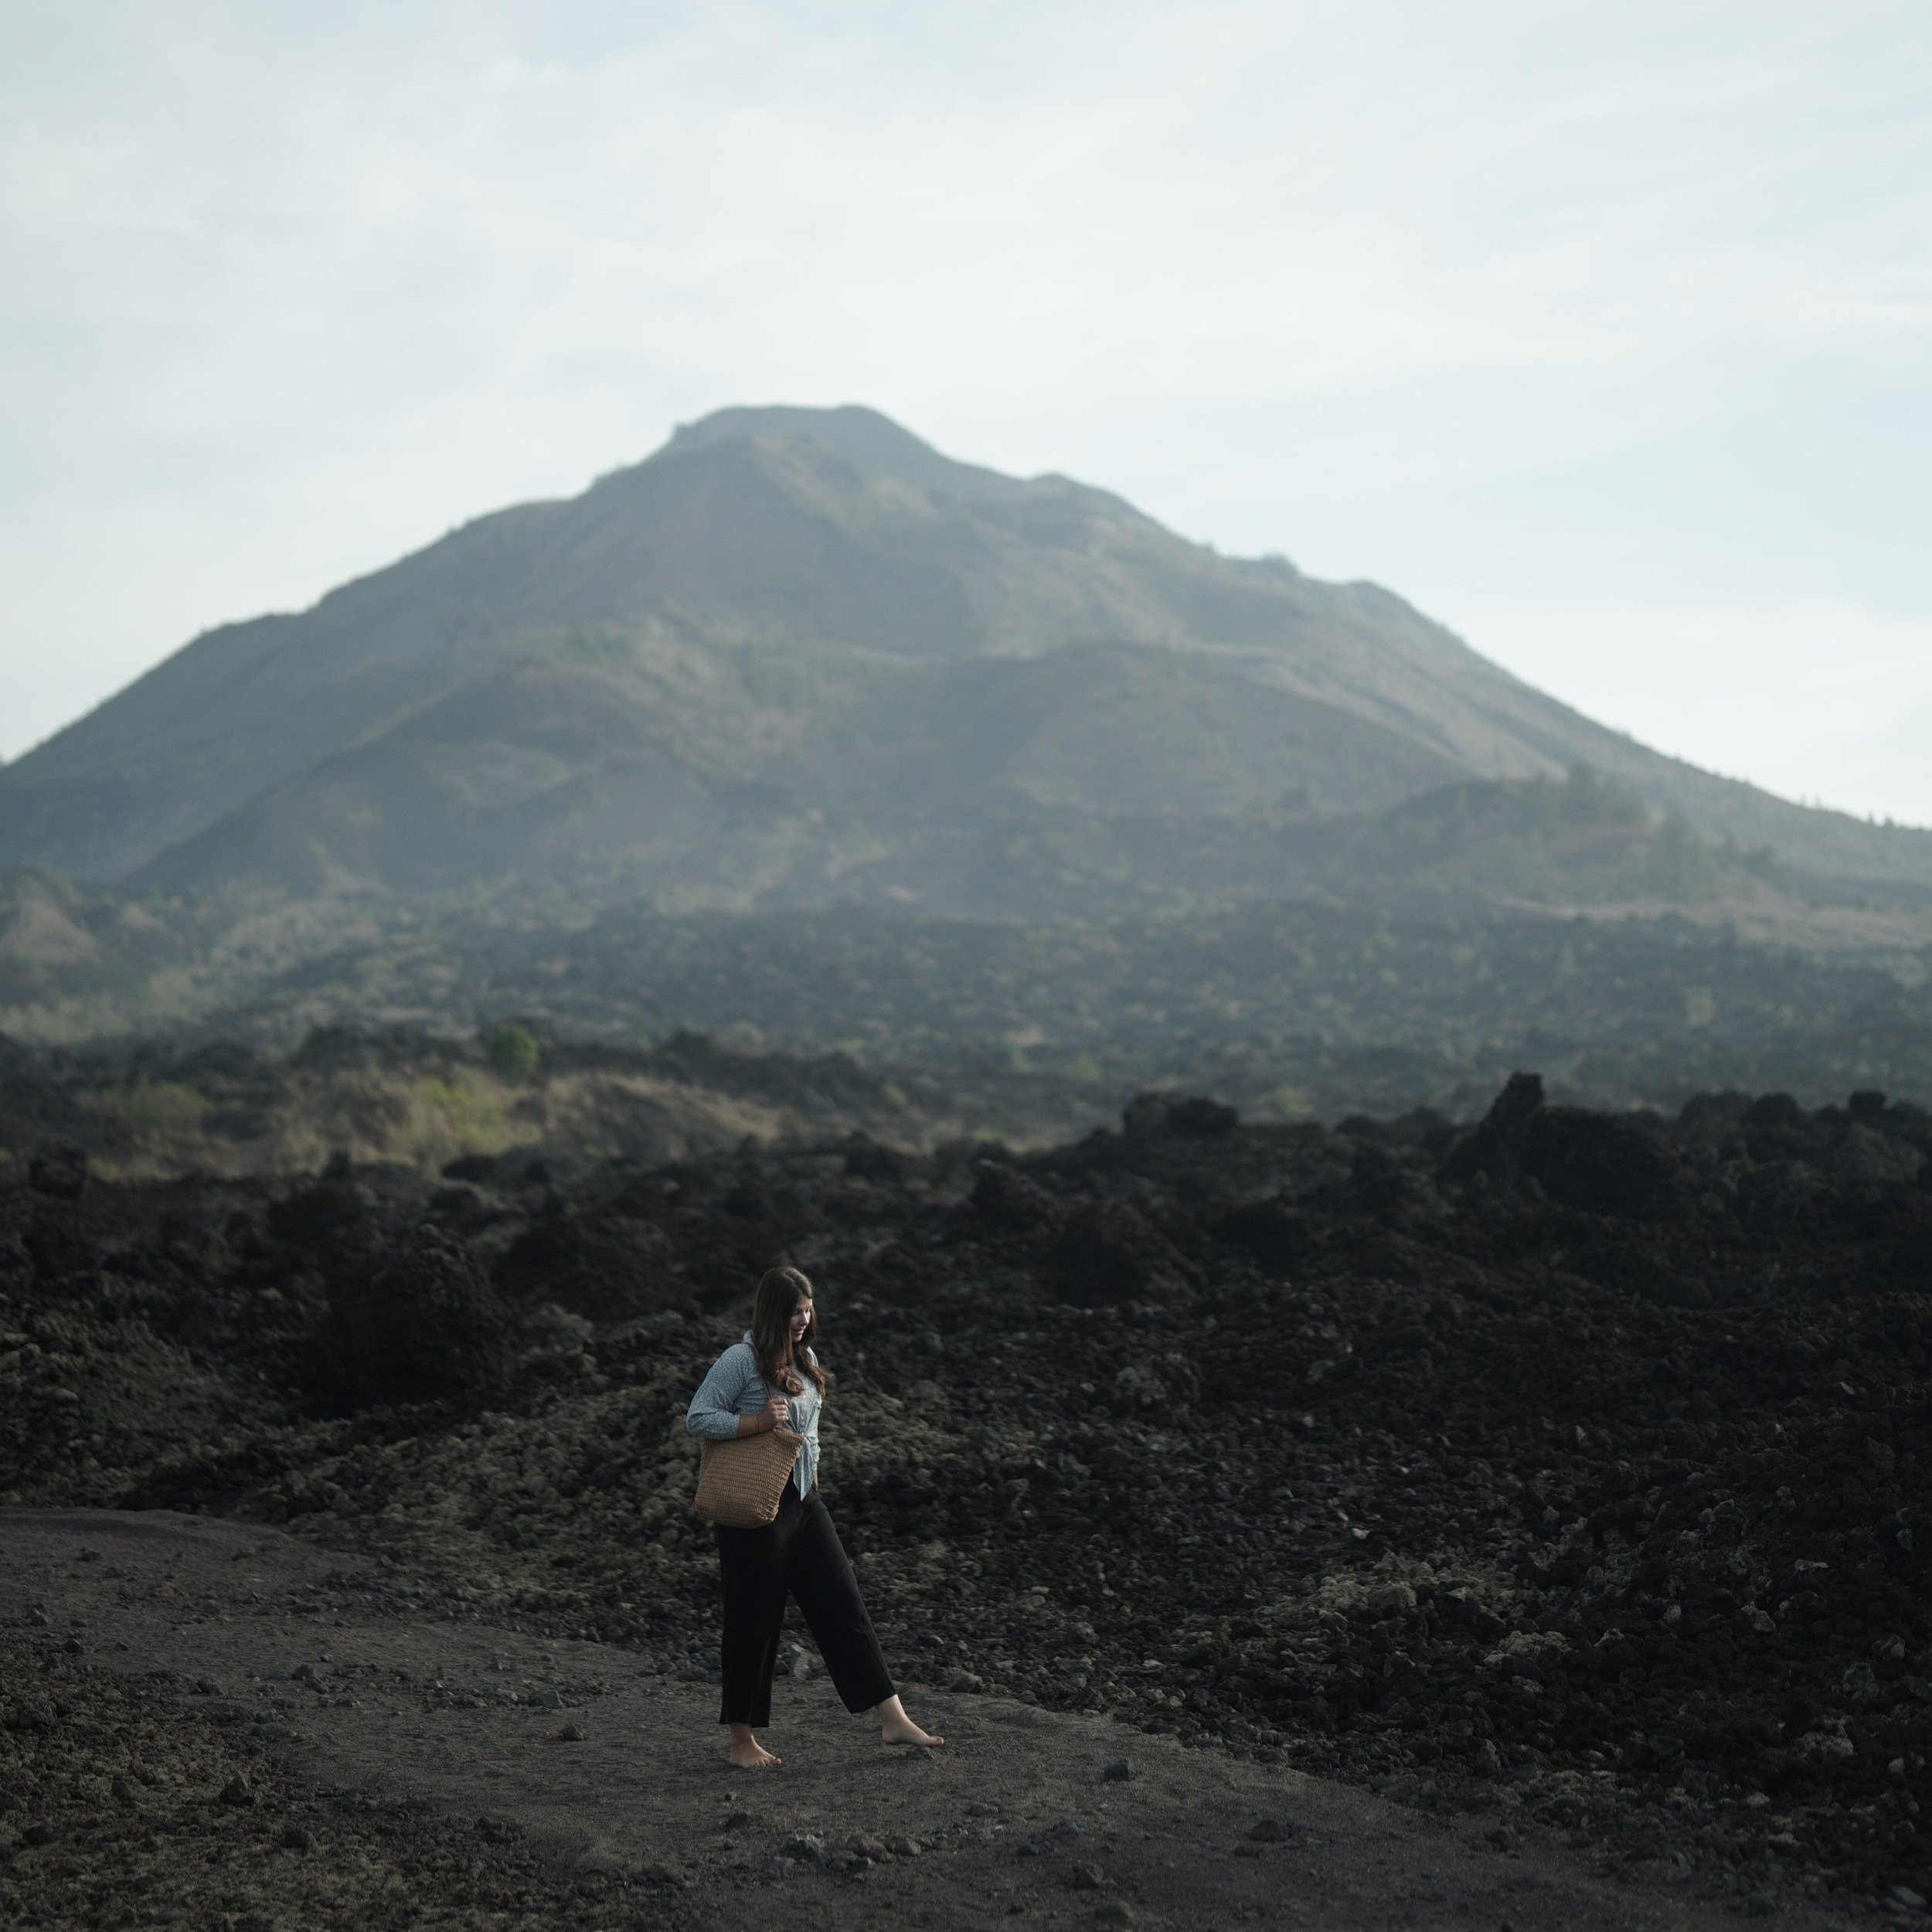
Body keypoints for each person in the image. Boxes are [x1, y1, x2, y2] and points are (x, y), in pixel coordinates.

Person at [685, 1264, 944, 1770]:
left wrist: (815, 1468)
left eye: (807, 1310)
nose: (803, 1319)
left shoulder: (806, 1358)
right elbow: (699, 1416)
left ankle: (892, 1718)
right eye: (794, 1311)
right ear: (771, 1311)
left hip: (803, 1503)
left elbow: (812, 1430)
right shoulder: (741, 1360)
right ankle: (742, 1741)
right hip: (754, 1510)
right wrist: (758, 1422)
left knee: (844, 1604)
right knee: (752, 1623)